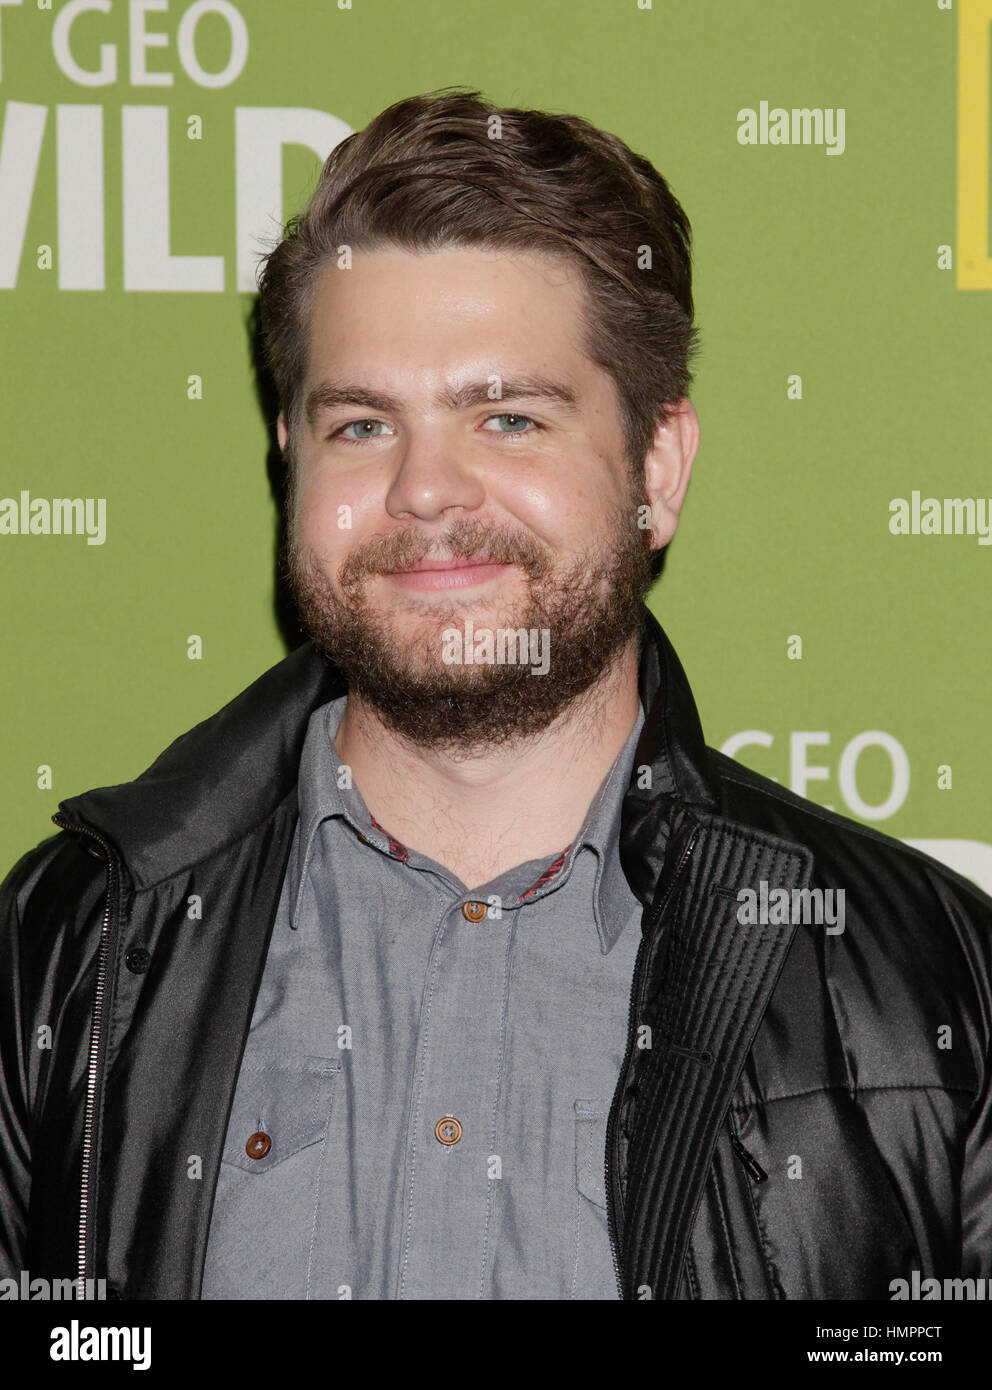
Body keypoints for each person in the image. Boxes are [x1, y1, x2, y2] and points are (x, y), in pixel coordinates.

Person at [2, 87, 990, 1302]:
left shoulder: (927, 975)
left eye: (508, 417)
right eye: (362, 425)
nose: (426, 488)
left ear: (656, 468)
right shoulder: (74, 942)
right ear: (288, 457)